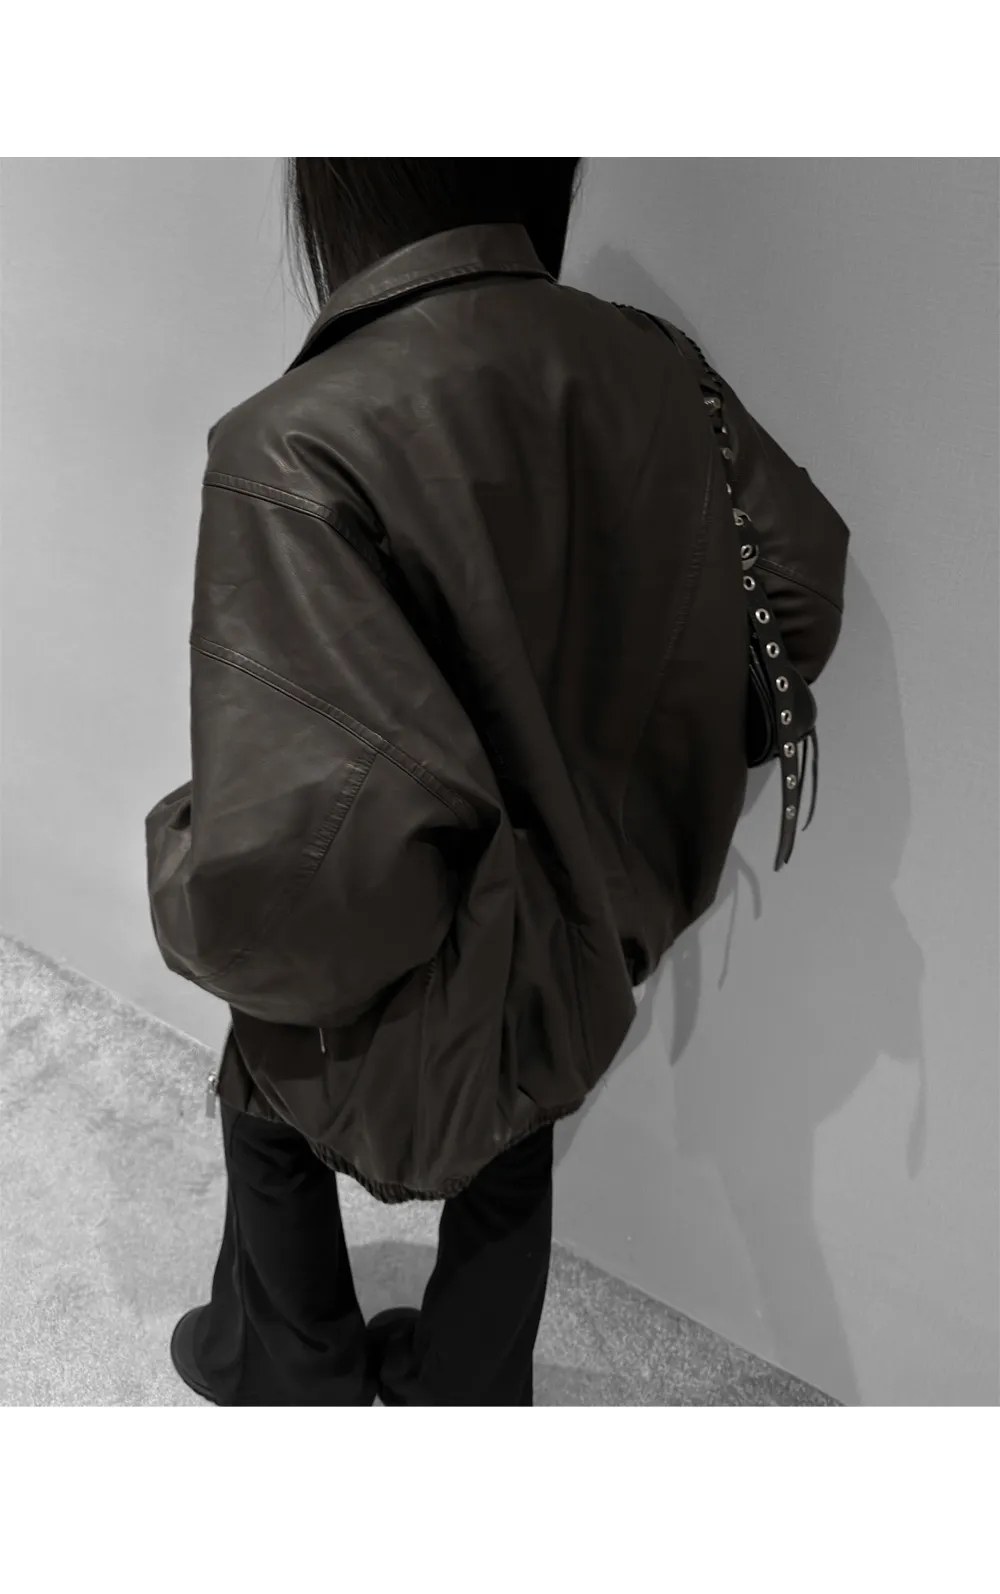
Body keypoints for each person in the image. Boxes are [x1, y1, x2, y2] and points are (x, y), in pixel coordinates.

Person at [147, 157, 849, 1406]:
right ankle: (468, 1392)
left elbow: (296, 889)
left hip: (416, 972)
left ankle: (286, 1369)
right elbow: (794, 591)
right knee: (521, 1124)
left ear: (343, 186)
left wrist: (175, 864)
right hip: (589, 926)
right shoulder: (658, 366)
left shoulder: (291, 441)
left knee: (265, 1073)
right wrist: (642, 772)